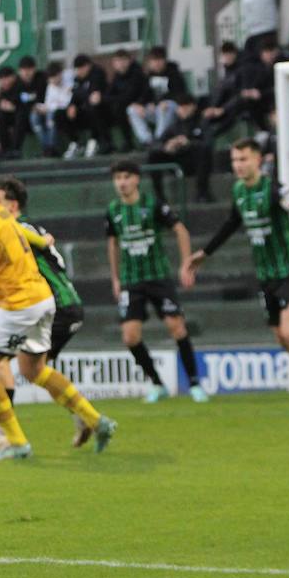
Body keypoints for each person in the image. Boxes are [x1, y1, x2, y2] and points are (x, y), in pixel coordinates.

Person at [0, 165, 115, 461]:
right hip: (43, 299)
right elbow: (20, 228)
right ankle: (97, 421)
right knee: (32, 370)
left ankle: (15, 441)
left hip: (19, 304)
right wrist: (43, 241)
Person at [188, 139, 289, 416]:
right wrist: (205, 253)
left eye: (244, 159)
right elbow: (231, 224)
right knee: (282, 338)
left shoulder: (274, 188)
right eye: (235, 160)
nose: (239, 165)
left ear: (258, 160)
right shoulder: (239, 191)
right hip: (266, 275)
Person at [0, 177, 88, 458]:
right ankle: (83, 415)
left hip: (53, 307)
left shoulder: (14, 228)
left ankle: (4, 434)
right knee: (37, 370)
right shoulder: (28, 227)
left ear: (12, 205)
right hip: (67, 306)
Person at [105, 160, 206, 403]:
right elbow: (113, 243)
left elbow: (181, 230)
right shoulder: (113, 210)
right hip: (131, 280)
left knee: (176, 327)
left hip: (158, 277)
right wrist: (115, 278)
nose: (122, 182)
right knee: (130, 336)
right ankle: (157, 384)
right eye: (118, 178)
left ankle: (194, 383)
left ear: (137, 179)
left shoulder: (153, 204)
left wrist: (185, 263)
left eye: (126, 177)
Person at [146, 93, 215, 203]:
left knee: (203, 151)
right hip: (177, 160)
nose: (183, 110)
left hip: (195, 162)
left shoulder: (202, 122)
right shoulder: (174, 126)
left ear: (193, 107)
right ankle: (159, 196)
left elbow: (208, 144)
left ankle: (202, 193)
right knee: (153, 155)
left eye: (186, 106)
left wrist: (189, 143)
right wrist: (166, 147)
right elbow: (155, 144)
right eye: (180, 107)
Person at [129, 46, 189, 146]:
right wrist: (139, 104)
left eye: (159, 60)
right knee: (132, 109)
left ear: (164, 60)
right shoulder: (148, 76)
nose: (156, 63)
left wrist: (158, 103)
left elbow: (179, 94)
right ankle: (146, 140)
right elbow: (145, 95)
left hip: (172, 109)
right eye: (153, 60)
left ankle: (160, 139)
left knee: (165, 106)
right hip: (155, 110)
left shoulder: (174, 73)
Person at [60, 54, 110, 158]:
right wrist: (72, 105)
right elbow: (76, 95)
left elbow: (93, 96)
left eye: (80, 68)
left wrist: (78, 92)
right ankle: (76, 142)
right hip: (84, 112)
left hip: (102, 112)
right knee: (60, 114)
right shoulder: (77, 79)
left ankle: (96, 140)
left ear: (87, 66)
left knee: (94, 107)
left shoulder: (98, 74)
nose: (79, 71)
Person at [106, 49, 148, 152]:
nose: (120, 64)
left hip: (141, 105)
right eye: (117, 61)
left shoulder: (137, 73)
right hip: (125, 106)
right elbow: (108, 95)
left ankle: (134, 142)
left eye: (123, 60)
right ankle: (107, 144)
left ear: (128, 61)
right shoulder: (117, 76)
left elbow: (130, 95)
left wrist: (116, 99)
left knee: (119, 107)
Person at [32, 61, 70, 156]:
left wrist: (49, 108)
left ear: (60, 74)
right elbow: (48, 102)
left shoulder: (68, 83)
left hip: (63, 113)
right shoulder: (50, 86)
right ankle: (46, 147)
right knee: (34, 116)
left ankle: (51, 147)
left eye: (53, 78)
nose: (51, 81)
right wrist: (40, 107)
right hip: (51, 110)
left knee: (51, 116)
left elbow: (66, 103)